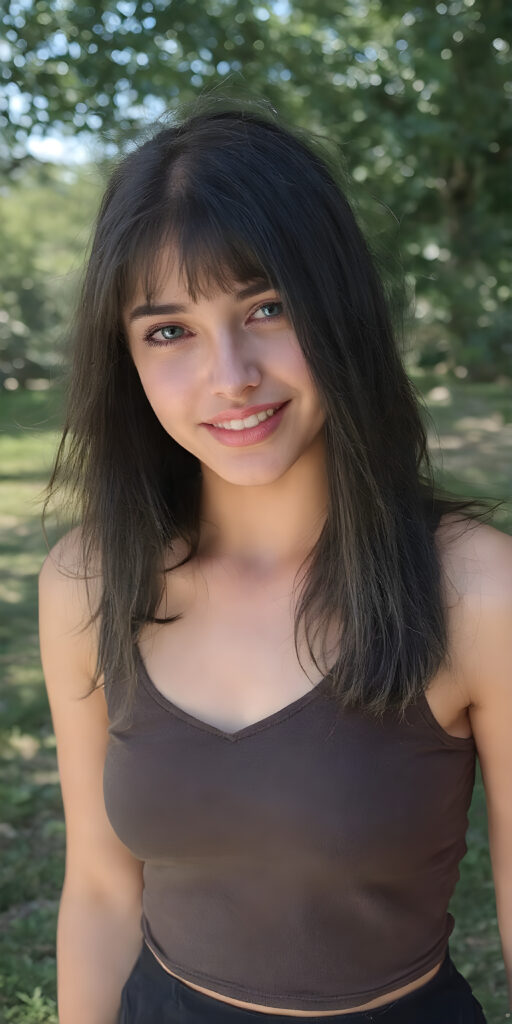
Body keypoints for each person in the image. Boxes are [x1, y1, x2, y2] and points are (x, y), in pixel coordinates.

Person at [38, 97, 512, 1024]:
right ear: (126, 358)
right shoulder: (88, 584)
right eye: (169, 330)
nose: (231, 375)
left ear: (340, 310)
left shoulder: (477, 592)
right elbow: (98, 887)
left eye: (268, 307)